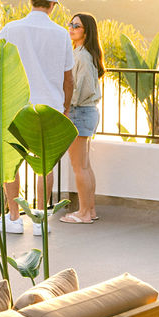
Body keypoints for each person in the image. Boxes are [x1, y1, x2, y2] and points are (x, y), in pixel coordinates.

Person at [0, 0, 74, 235]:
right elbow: (68, 79)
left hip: (15, 107)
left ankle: (14, 218)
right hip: (48, 109)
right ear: (52, 6)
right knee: (44, 165)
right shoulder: (61, 34)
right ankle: (39, 220)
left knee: (11, 163)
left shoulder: (11, 29)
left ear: (31, 2)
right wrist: (65, 109)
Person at [60, 13, 104, 224]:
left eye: (76, 26)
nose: (71, 28)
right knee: (85, 165)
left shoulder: (83, 56)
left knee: (79, 167)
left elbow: (82, 89)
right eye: (70, 24)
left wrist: (66, 107)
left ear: (86, 31)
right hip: (85, 112)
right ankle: (90, 210)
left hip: (79, 112)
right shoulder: (82, 53)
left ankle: (84, 213)